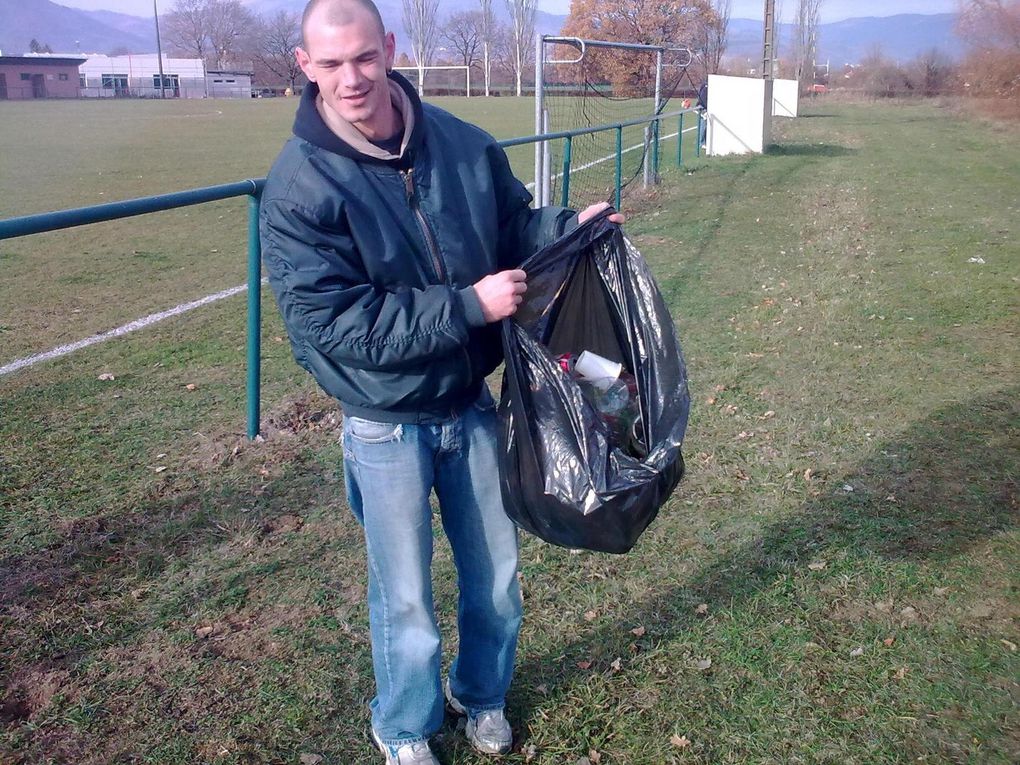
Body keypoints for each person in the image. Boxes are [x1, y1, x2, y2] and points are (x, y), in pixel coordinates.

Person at [259, 1, 623, 763]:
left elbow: (514, 226)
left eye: (363, 56)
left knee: (496, 576)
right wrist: (465, 307)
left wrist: (567, 229)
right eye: (330, 64)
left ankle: (480, 694)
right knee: (405, 598)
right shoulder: (298, 187)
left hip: (469, 404)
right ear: (305, 66)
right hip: (383, 419)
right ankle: (404, 726)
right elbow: (329, 324)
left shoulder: (460, 145)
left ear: (389, 48)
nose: (351, 78)